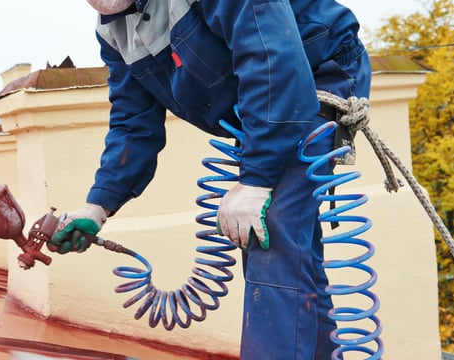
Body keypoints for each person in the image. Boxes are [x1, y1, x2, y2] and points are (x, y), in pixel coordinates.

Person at [48, 0, 372, 358]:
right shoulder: (113, 29)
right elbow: (133, 122)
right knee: (291, 248)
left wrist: (256, 180)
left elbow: (270, 58)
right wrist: (98, 206)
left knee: (270, 227)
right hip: (262, 100)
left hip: (311, 72)